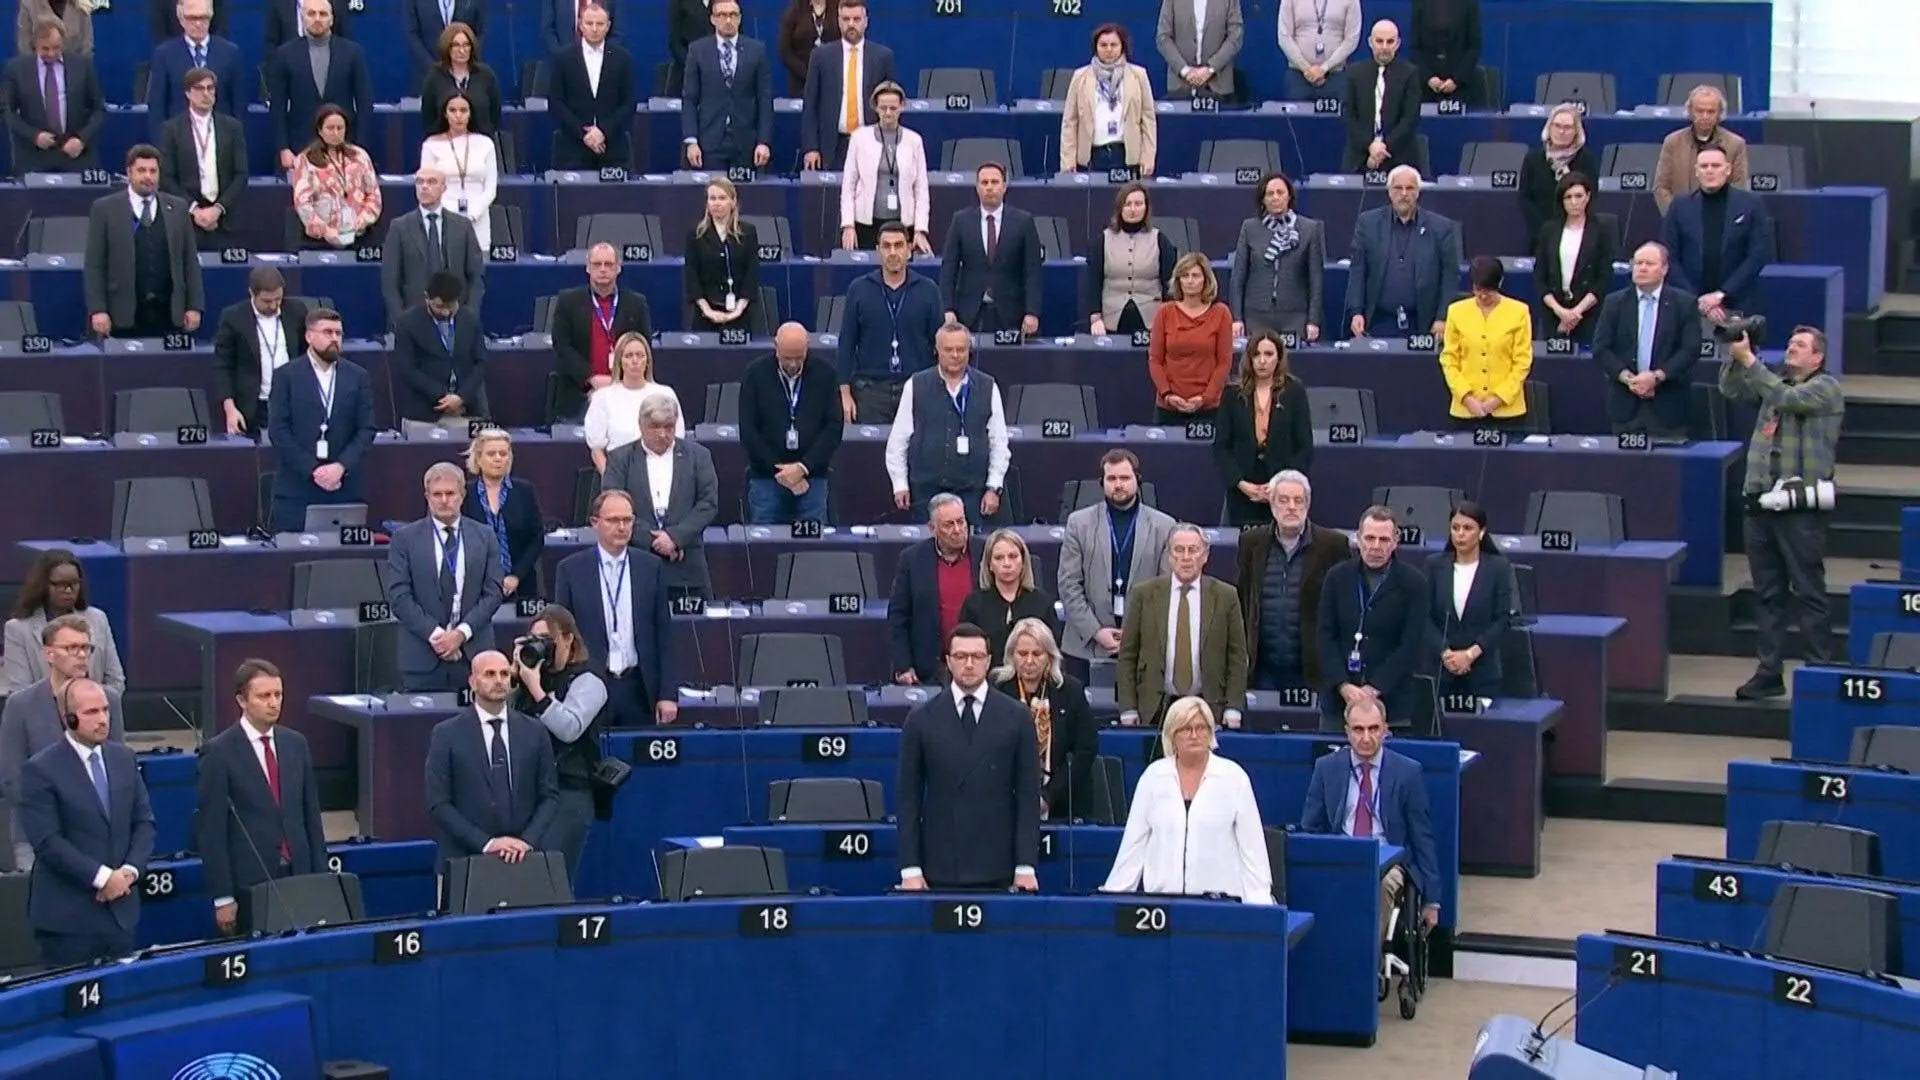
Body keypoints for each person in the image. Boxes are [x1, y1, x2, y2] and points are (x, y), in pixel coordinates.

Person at [1720, 325, 1843, 701]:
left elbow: (1787, 398)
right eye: (1789, 343)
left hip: (1799, 507)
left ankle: (1819, 671)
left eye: (1800, 345)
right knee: (1768, 594)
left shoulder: (1825, 388)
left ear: (1817, 358)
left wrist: (1750, 360)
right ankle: (1769, 672)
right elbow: (1732, 389)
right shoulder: (1774, 380)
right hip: (1760, 502)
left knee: (1808, 591)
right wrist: (1737, 353)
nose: (1791, 348)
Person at [15, 678, 153, 965]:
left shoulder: (123, 758)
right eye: (92, 713)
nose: (103, 720)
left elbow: (143, 823)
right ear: (68, 718)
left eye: (105, 710)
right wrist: (103, 878)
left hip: (120, 914)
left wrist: (128, 873)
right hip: (69, 922)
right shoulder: (40, 769)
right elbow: (47, 843)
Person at [896, 623, 1042, 891]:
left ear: (988, 662)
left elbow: (1027, 796)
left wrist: (1025, 866)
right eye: (961, 657)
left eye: (976, 657)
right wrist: (910, 868)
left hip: (1000, 866)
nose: (969, 664)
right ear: (948, 662)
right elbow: (908, 800)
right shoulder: (921, 719)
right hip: (939, 866)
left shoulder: (1017, 717)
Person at [196, 659, 329, 935]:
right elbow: (212, 832)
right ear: (241, 701)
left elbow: (311, 818)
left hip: (300, 875)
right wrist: (223, 897)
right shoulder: (218, 753)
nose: (273, 703)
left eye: (278, 695)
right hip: (251, 882)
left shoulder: (296, 744)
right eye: (264, 696)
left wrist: (322, 878)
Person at [1300, 694, 1441, 939]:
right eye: (1359, 729)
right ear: (1347, 732)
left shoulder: (1407, 772)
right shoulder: (1326, 768)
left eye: (1374, 729)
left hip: (1388, 861)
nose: (1366, 737)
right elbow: (1310, 828)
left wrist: (1433, 901)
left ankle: (1367, 962)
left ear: (1385, 730)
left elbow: (1422, 838)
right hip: (1340, 857)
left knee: (1383, 884)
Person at [1103, 697, 1271, 901]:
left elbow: (1253, 852)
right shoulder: (1153, 778)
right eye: (1185, 729)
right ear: (1172, 736)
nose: (1194, 735)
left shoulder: (1234, 778)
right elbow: (1133, 846)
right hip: (1163, 906)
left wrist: (1261, 907)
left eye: (1201, 728)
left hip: (1220, 904)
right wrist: (1113, 898)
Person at [0, 616, 128, 872]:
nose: (81, 655)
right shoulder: (20, 706)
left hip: (96, 838)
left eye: (86, 648)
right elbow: (12, 777)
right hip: (38, 836)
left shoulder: (108, 700)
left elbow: (118, 768)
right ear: (49, 654)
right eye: (71, 648)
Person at [552, 491, 679, 726]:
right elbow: (563, 637)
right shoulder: (570, 570)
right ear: (595, 522)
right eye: (613, 520)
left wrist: (667, 694)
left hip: (638, 687)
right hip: (590, 685)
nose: (621, 527)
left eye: (627, 520)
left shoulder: (650, 567)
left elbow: (664, 634)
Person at [424, 652, 561, 870]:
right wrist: (487, 844)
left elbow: (549, 796)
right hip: (463, 862)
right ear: (472, 682)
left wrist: (525, 842)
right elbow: (438, 803)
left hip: (524, 859)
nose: (499, 680)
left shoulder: (535, 731)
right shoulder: (446, 734)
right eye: (489, 674)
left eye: (504, 674)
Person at [385, 462, 507, 691]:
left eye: (450, 493)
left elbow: (493, 593)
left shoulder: (485, 536)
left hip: (473, 656)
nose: (443, 500)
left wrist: (461, 633)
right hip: (422, 658)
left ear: (462, 495)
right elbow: (399, 596)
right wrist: (439, 637)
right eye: (437, 494)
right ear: (427, 496)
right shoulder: (404, 539)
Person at [509, 605, 610, 881]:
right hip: (528, 792)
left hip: (568, 792)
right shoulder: (530, 679)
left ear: (568, 639)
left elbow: (569, 728)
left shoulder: (588, 680)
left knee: (550, 878)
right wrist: (514, 677)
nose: (542, 648)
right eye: (535, 640)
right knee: (520, 880)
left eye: (548, 640)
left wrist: (538, 691)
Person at [1057, 449, 1177, 680]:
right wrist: (1096, 631)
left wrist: (1135, 633)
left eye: (1125, 478)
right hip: (1085, 645)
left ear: (1137, 480)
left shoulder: (1164, 526)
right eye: (1112, 479)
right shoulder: (1078, 523)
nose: (1118, 485)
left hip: (1143, 644)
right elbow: (1068, 584)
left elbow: (1165, 589)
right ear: (1102, 483)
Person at [1116, 524, 1249, 729]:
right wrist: (1128, 708)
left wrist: (1233, 707)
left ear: (1205, 556)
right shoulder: (1144, 594)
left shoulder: (1225, 595)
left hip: (1209, 707)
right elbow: (1127, 655)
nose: (1186, 557)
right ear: (1169, 556)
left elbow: (1237, 657)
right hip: (1155, 708)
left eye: (1193, 550)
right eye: (1178, 550)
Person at [884, 322, 1011, 528]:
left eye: (961, 349)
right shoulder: (915, 385)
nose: (955, 355)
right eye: (949, 349)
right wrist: (900, 484)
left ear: (969, 351)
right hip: (925, 491)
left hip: (972, 493)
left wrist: (993, 487)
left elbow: (999, 443)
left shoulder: (988, 386)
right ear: (937, 351)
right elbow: (899, 440)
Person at [1316, 505, 1431, 730]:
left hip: (1392, 704)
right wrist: (1343, 686)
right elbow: (1324, 636)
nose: (1376, 546)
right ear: (1358, 539)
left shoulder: (1414, 584)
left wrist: (1374, 689)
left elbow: (1411, 645)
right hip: (1339, 705)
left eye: (1383, 539)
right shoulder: (1337, 577)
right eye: (1369, 538)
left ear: (1395, 541)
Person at [1235, 471, 1351, 694]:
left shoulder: (1333, 545)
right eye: (1284, 500)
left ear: (1308, 505)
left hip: (1313, 669)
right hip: (1263, 669)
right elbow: (1244, 599)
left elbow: (1343, 608)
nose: (1291, 507)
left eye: (1298, 501)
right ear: (1271, 503)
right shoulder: (1251, 543)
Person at [267, 308, 376, 533]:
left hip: (344, 487)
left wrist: (340, 466)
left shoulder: (358, 376)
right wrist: (313, 470)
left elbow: (366, 430)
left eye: (339, 333)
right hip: (297, 490)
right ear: (309, 336)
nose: (334, 339)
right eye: (328, 332)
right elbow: (278, 430)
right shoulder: (286, 376)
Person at [601, 396, 720, 599]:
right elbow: (612, 506)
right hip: (637, 562)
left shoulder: (699, 456)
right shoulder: (620, 459)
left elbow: (708, 503)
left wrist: (675, 538)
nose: (662, 434)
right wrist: (655, 541)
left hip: (686, 564)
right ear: (641, 425)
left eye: (669, 426)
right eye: (655, 427)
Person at [83, 145, 205, 341]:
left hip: (168, 315)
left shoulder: (178, 207)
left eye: (153, 171)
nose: (148, 176)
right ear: (129, 173)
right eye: (141, 170)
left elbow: (189, 261)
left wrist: (194, 306)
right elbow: (94, 265)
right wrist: (98, 310)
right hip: (122, 315)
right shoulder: (104, 209)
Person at [989, 618, 1097, 822]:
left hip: (1062, 801)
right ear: (1012, 656)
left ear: (1049, 656)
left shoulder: (1070, 691)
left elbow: (1085, 750)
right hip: (1005, 803)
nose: (1029, 661)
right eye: (1022, 654)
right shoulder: (997, 689)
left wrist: (1048, 796)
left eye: (1037, 654)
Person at [836, 221, 942, 423]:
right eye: (886, 246)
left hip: (916, 389)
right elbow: (847, 344)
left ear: (909, 250)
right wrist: (844, 393)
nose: (893, 252)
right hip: (871, 391)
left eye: (899, 245)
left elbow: (939, 345)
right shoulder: (858, 289)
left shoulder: (928, 290)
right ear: (878, 251)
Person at [1593, 242, 1702, 439]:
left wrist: (1656, 377)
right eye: (1638, 263)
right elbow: (1601, 348)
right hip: (1625, 406)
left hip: (1668, 406)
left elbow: (1690, 349)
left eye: (1649, 263)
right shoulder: (1614, 302)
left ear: (1664, 269)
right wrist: (1628, 379)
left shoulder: (1684, 304)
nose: (1642, 268)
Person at [740, 322, 843, 525]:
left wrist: (803, 468)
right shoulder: (755, 374)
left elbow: (833, 427)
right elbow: (749, 430)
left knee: (812, 551)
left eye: (799, 357)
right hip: (766, 478)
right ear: (776, 347)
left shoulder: (825, 374)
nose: (794, 364)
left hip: (812, 478)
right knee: (765, 547)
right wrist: (781, 472)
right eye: (788, 358)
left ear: (808, 347)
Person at [1345, 165, 1462, 340]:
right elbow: (1358, 270)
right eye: (1398, 188)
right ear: (1389, 191)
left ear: (1418, 192)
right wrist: (1356, 312)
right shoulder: (1368, 223)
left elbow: (1450, 276)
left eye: (1410, 188)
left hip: (1424, 323)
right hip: (1379, 320)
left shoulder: (1441, 228)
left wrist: (1442, 318)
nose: (1404, 194)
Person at [1660, 145, 1774, 323]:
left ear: (1728, 170)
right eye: (1704, 166)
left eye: (1716, 166)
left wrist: (1721, 294)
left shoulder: (1751, 204)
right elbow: (1670, 256)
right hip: (1688, 303)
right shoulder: (1679, 206)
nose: (1709, 171)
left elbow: (1757, 256)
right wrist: (1698, 301)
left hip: (1738, 302)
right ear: (1696, 171)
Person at [1214, 334, 1313, 527]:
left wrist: (1281, 485)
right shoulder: (1232, 393)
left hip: (1282, 493)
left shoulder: (1294, 391)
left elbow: (1305, 447)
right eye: (1256, 354)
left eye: (1268, 354)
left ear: (1279, 357)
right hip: (1242, 491)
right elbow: (1221, 447)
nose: (1262, 361)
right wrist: (1240, 483)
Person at [550, 244, 655, 422]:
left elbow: (643, 346)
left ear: (618, 267)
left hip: (626, 391)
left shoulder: (636, 303)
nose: (603, 269)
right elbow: (562, 346)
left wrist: (618, 383)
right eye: (597, 264)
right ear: (588, 268)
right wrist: (591, 378)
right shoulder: (568, 301)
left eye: (608, 264)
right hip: (580, 393)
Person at [886, 493, 983, 684]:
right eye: (949, 524)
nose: (958, 529)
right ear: (933, 528)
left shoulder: (985, 553)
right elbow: (898, 616)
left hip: (979, 664)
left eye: (961, 521)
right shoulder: (912, 559)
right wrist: (903, 666)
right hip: (929, 670)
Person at [267, 0, 373, 172]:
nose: (317, 19)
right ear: (303, 17)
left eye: (323, 14)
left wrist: (358, 147)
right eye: (311, 14)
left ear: (332, 19)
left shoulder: (353, 53)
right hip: (300, 149)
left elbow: (365, 103)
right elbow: (277, 107)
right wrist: (283, 148)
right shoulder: (285, 55)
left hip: (344, 148)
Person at [939, 163, 1044, 337]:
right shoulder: (960, 221)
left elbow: (1033, 270)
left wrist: (1032, 311)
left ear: (1004, 186)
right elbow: (949, 268)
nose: (989, 187)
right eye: (984, 182)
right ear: (977, 187)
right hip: (969, 312)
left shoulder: (1023, 221)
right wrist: (947, 308)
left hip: (1011, 313)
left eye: (994, 182)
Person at [1426, 501, 1513, 706]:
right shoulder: (1434, 565)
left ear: (1481, 532)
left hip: (1482, 673)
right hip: (1442, 672)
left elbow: (1502, 619)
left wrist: (1470, 654)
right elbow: (1424, 616)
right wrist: (1446, 654)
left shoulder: (1498, 568)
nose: (1460, 534)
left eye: (1468, 528)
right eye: (1455, 528)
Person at [3, 554, 126, 694]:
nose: (68, 590)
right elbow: (19, 691)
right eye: (60, 584)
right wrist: (63, 708)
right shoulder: (18, 629)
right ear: (43, 585)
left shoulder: (98, 619)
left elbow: (116, 681)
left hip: (93, 712)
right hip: (43, 714)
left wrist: (89, 705)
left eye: (74, 584)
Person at [156, 65, 247, 253]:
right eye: (199, 88)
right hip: (186, 219)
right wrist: (195, 210)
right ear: (188, 93)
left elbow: (241, 175)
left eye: (210, 88)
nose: (206, 94)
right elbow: (167, 177)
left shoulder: (232, 127)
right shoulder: (171, 129)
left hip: (224, 219)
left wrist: (218, 209)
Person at [382, 167, 485, 329]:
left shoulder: (462, 226)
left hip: (456, 320)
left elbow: (476, 276)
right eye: (419, 182)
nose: (424, 186)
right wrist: (401, 322)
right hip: (414, 322)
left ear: (444, 188)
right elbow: (390, 281)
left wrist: (470, 316)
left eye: (431, 182)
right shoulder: (399, 227)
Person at [1229, 172, 1325, 342]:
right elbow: (1238, 277)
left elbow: (1315, 280)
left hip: (1294, 316)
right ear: (1263, 200)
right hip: (1256, 315)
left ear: (1289, 196)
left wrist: (1313, 320)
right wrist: (1237, 318)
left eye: (1280, 192)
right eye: (1270, 194)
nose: (1275, 197)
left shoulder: (1309, 229)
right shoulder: (1250, 228)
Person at [799, 0, 895, 170]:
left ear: (866, 21)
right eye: (846, 19)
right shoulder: (821, 56)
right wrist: (811, 148)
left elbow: (891, 104)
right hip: (832, 146)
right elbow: (810, 105)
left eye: (856, 19)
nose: (851, 24)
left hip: (871, 143)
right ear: (838, 21)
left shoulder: (883, 57)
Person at [212, 268, 307, 438]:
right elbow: (222, 366)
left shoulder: (297, 311)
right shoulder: (233, 317)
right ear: (251, 294)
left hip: (292, 403)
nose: (273, 306)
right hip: (253, 407)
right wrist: (230, 409)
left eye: (278, 299)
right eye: (266, 301)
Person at [1439, 256, 1532, 429]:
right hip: (1466, 411)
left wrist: (1497, 400)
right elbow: (1449, 359)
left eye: (1488, 291)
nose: (1482, 295)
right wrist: (1467, 398)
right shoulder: (1456, 311)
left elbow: (1522, 362)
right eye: (1478, 289)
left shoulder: (1519, 312)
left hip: (1508, 413)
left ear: (1500, 284)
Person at [680, 0, 773, 172]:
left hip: (745, 143)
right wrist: (691, 141)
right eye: (722, 15)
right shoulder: (697, 50)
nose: (728, 20)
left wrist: (763, 141)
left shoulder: (757, 50)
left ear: (740, 19)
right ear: (713, 19)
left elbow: (764, 99)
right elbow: (690, 99)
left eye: (733, 15)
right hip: (710, 141)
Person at [837, 82, 930, 251]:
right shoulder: (859, 138)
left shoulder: (914, 140)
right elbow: (848, 185)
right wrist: (848, 225)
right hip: (865, 223)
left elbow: (921, 189)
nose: (888, 113)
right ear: (875, 107)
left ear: (902, 106)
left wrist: (920, 229)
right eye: (883, 108)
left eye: (893, 108)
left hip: (903, 224)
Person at [391, 270, 489, 426]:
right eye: (439, 306)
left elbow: (481, 362)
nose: (445, 312)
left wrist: (461, 397)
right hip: (423, 412)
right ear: (426, 298)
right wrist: (443, 395)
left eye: (451, 306)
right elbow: (408, 369)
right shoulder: (407, 324)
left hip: (467, 409)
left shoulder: (470, 320)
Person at [3, 19, 102, 174]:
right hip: (34, 157)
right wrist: (34, 136)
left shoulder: (82, 66)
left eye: (56, 48)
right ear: (35, 44)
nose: (51, 53)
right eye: (45, 48)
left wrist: (81, 139)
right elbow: (6, 111)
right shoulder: (17, 69)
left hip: (75, 156)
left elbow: (99, 110)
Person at [1531, 172, 1618, 347]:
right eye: (1568, 197)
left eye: (1578, 196)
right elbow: (1540, 276)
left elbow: (1603, 278)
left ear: (1588, 197)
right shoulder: (1549, 230)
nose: (1574, 202)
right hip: (1554, 312)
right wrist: (1560, 311)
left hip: (1588, 312)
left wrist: (1575, 313)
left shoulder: (1602, 231)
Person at [1060, 23, 1157, 177]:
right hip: (1093, 155)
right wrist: (1068, 160)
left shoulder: (1138, 75)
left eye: (1114, 45)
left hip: (1126, 154)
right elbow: (1070, 122)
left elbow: (1148, 120)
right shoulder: (1081, 77)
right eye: (1103, 45)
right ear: (1096, 47)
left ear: (1122, 46)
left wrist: (1148, 158)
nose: (1109, 49)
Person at [548, 3, 637, 171]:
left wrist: (603, 132)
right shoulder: (563, 58)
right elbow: (556, 103)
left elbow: (628, 103)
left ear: (608, 26)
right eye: (589, 24)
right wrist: (585, 134)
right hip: (573, 151)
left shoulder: (622, 58)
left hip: (613, 151)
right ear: (580, 24)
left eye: (600, 24)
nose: (594, 29)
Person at [1149, 253, 1234, 426]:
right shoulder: (1164, 312)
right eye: (1185, 276)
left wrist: (1205, 398)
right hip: (1169, 406)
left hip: (1209, 408)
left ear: (1206, 280)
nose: (1190, 281)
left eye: (1195, 276)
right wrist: (1168, 395)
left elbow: (1224, 362)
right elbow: (1155, 360)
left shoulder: (1221, 313)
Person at [1083, 182, 1177, 338]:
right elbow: (1093, 282)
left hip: (1152, 320)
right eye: (1128, 204)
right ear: (1120, 208)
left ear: (1146, 208)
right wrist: (1095, 318)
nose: (1133, 209)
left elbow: (1170, 282)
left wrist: (1167, 318)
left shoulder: (1159, 239)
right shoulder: (1103, 240)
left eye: (1138, 204)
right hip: (1111, 319)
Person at [463, 429, 546, 600]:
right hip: (475, 585)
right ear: (478, 458)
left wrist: (516, 575)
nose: (498, 458)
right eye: (491, 454)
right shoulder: (464, 493)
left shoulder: (525, 491)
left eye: (503, 453)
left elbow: (536, 538)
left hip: (521, 584)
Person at [145, 0, 245, 142]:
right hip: (178, 142)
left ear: (211, 17)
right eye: (192, 18)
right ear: (181, 19)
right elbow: (157, 109)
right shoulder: (164, 55)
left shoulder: (230, 53)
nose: (198, 24)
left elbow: (239, 107)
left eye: (203, 17)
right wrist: (163, 148)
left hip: (221, 142)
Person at [958, 529, 1061, 666]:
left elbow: (1053, 653)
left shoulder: (1043, 603)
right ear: (989, 565)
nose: (1007, 564)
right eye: (999, 558)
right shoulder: (974, 604)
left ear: (1023, 562)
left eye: (1013, 556)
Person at [584, 331, 685, 471]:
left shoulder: (665, 393)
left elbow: (678, 441)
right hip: (619, 472)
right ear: (619, 361)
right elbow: (597, 450)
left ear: (647, 360)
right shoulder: (602, 397)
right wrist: (612, 481)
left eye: (640, 355)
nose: (635, 361)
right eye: (629, 356)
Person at [290, 105, 382, 251]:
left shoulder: (360, 156)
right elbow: (302, 202)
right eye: (330, 128)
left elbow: (374, 196)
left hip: (358, 236)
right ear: (320, 130)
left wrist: (359, 223)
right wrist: (326, 231)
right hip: (320, 239)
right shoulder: (305, 160)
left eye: (340, 128)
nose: (336, 133)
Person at [419, 92, 498, 252]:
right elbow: (427, 186)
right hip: (444, 215)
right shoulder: (431, 145)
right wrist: (450, 215)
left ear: (470, 114)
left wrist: (475, 212)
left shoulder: (485, 144)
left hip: (478, 216)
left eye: (463, 110)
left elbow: (491, 188)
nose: (458, 116)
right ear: (445, 114)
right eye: (453, 110)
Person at [1653, 84, 1748, 216]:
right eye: (1700, 111)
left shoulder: (1735, 144)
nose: (1705, 116)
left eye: (1711, 112)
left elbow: (1739, 189)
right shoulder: (1673, 142)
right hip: (1679, 221)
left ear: (1719, 114)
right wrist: (1676, 218)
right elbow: (1661, 188)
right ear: (1690, 112)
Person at [1341, 21, 1421, 174]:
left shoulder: (1409, 74)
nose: (1384, 47)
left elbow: (1410, 119)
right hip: (1360, 155)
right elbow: (1348, 114)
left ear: (1397, 44)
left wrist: (1383, 147)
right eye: (1379, 41)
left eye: (1390, 42)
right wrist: (1370, 146)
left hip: (1398, 155)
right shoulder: (1354, 73)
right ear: (1370, 42)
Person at [684, 179, 762, 333]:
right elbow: (691, 275)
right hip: (704, 316)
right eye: (712, 198)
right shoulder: (696, 235)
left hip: (740, 316)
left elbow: (752, 273)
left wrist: (738, 310)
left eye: (722, 198)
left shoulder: (748, 232)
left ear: (733, 202)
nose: (716, 203)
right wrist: (708, 311)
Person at [1516, 104, 1597, 245]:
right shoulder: (1533, 160)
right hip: (1540, 236)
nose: (1561, 131)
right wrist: (1546, 230)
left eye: (1567, 127)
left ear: (1576, 132)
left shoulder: (1586, 161)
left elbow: (1591, 196)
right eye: (1557, 126)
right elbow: (1525, 198)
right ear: (1549, 128)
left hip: (1577, 236)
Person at [420, 21, 503, 137]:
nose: (462, 50)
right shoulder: (434, 77)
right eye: (456, 45)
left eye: (466, 45)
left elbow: (495, 116)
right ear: (447, 47)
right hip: (445, 146)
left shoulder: (486, 75)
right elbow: (428, 118)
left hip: (481, 145)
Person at [1152, 0, 1243, 100]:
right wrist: (1185, 71)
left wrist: (1210, 69)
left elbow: (1235, 37)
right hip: (1180, 87)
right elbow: (1163, 38)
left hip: (1218, 88)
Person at [1278, 0, 1360, 102]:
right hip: (1298, 76)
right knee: (1296, 117)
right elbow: (1284, 37)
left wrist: (1324, 68)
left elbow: (1351, 39)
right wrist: (1307, 69)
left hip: (1335, 76)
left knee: (1338, 117)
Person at [1410, 0, 1479, 105]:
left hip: (1461, 89)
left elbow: (1474, 47)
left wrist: (1456, 80)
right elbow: (1414, 47)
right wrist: (1429, 78)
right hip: (1426, 88)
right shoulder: (1420, 3)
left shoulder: (1469, 3)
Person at [404, 0, 485, 75]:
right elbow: (412, 34)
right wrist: (433, 68)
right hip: (427, 76)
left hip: (466, 75)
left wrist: (466, 63)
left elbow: (480, 32)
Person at [779, 0, 838, 99]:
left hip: (834, 82)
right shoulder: (794, 11)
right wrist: (809, 74)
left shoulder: (838, 9)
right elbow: (784, 51)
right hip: (801, 84)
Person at [265, 0, 354, 51]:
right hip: (289, 71)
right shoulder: (279, 3)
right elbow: (272, 43)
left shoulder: (336, 3)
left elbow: (344, 39)